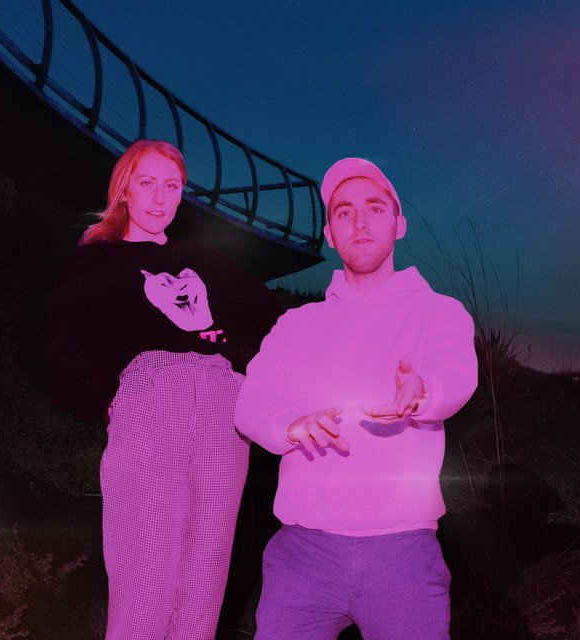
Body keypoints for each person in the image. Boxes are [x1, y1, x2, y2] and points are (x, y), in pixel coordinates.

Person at [46, 139, 282, 640]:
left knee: (203, 587)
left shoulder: (203, 258)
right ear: (124, 189)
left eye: (171, 186)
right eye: (147, 182)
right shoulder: (95, 263)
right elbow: (65, 348)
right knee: (147, 582)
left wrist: (232, 351)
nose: (159, 197)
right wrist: (111, 398)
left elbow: (272, 320)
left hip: (223, 411)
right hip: (150, 403)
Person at [235, 157, 478, 640]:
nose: (360, 222)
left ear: (398, 224)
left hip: (404, 554)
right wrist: (290, 424)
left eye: (374, 208)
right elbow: (250, 402)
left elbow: (457, 375)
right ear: (330, 234)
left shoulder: (439, 311)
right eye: (344, 212)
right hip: (302, 554)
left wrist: (423, 391)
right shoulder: (295, 325)